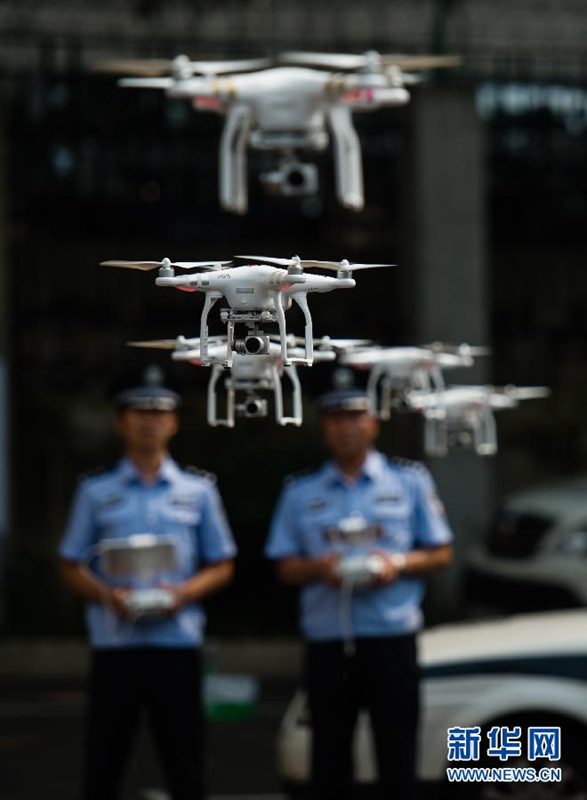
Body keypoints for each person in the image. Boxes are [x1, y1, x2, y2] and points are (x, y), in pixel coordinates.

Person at [265, 388, 453, 800]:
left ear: (374, 421)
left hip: (390, 635)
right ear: (323, 426)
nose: (347, 426)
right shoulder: (301, 491)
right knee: (328, 757)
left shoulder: (409, 481)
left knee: (398, 752)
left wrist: (396, 564)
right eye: (336, 417)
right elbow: (284, 565)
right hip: (330, 638)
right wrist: (321, 568)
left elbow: (441, 552)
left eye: (356, 415)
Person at [59, 383, 236, 800]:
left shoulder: (198, 491)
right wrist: (108, 596)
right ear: (122, 422)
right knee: (104, 762)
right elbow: (70, 565)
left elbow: (223, 564)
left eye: (158, 414)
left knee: (185, 763)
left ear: (173, 423)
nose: (149, 422)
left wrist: (184, 593)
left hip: (176, 642)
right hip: (116, 642)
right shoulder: (95, 491)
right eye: (139, 413)